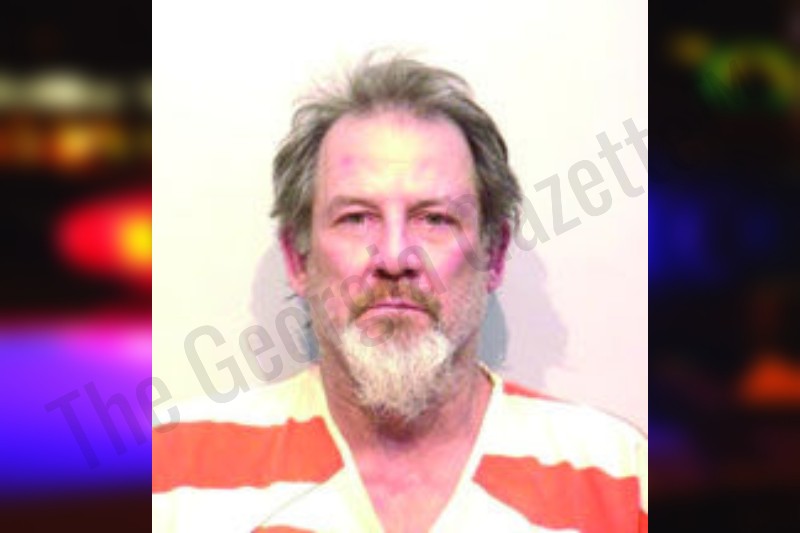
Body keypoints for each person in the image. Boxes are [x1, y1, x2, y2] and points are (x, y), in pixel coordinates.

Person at [153, 54, 648, 533]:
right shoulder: (170, 473)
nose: (394, 258)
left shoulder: (621, 478)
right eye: (356, 218)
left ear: (495, 256)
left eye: (435, 219)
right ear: (298, 260)